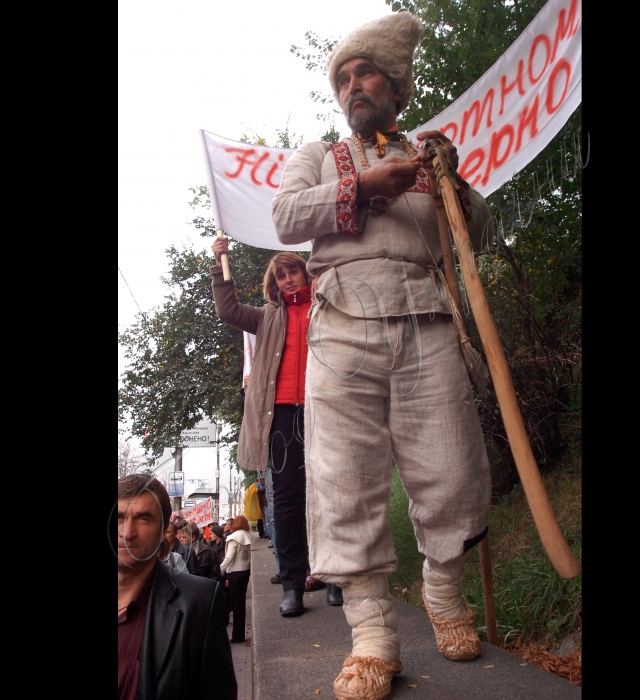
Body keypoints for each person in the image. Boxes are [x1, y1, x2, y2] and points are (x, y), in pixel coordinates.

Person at [270, 12, 495, 700]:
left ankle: (445, 596)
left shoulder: (428, 156)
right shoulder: (317, 153)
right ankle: (371, 635)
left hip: (428, 320)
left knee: (453, 468)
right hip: (341, 326)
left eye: (365, 73)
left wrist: (452, 182)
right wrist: (366, 187)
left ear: (397, 90)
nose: (352, 85)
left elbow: (475, 235)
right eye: (343, 77)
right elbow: (284, 217)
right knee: (344, 481)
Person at [210, 246, 314, 617]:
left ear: (305, 273)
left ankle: (335, 577)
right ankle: (292, 584)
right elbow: (228, 311)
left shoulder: (326, 306)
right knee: (285, 500)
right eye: (280, 276)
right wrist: (221, 268)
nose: (287, 280)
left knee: (329, 490)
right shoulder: (267, 316)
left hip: (324, 410)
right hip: (282, 418)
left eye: (292, 273)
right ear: (275, 284)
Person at [117, 473, 236, 699]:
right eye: (119, 517)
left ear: (164, 530)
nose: (127, 533)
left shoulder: (199, 604)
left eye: (143, 519)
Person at [219, 515, 255, 643]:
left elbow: (229, 557)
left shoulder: (233, 538)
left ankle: (237, 635)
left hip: (235, 572)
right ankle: (238, 634)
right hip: (245, 570)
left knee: (236, 604)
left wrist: (220, 570)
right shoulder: (247, 535)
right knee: (241, 604)